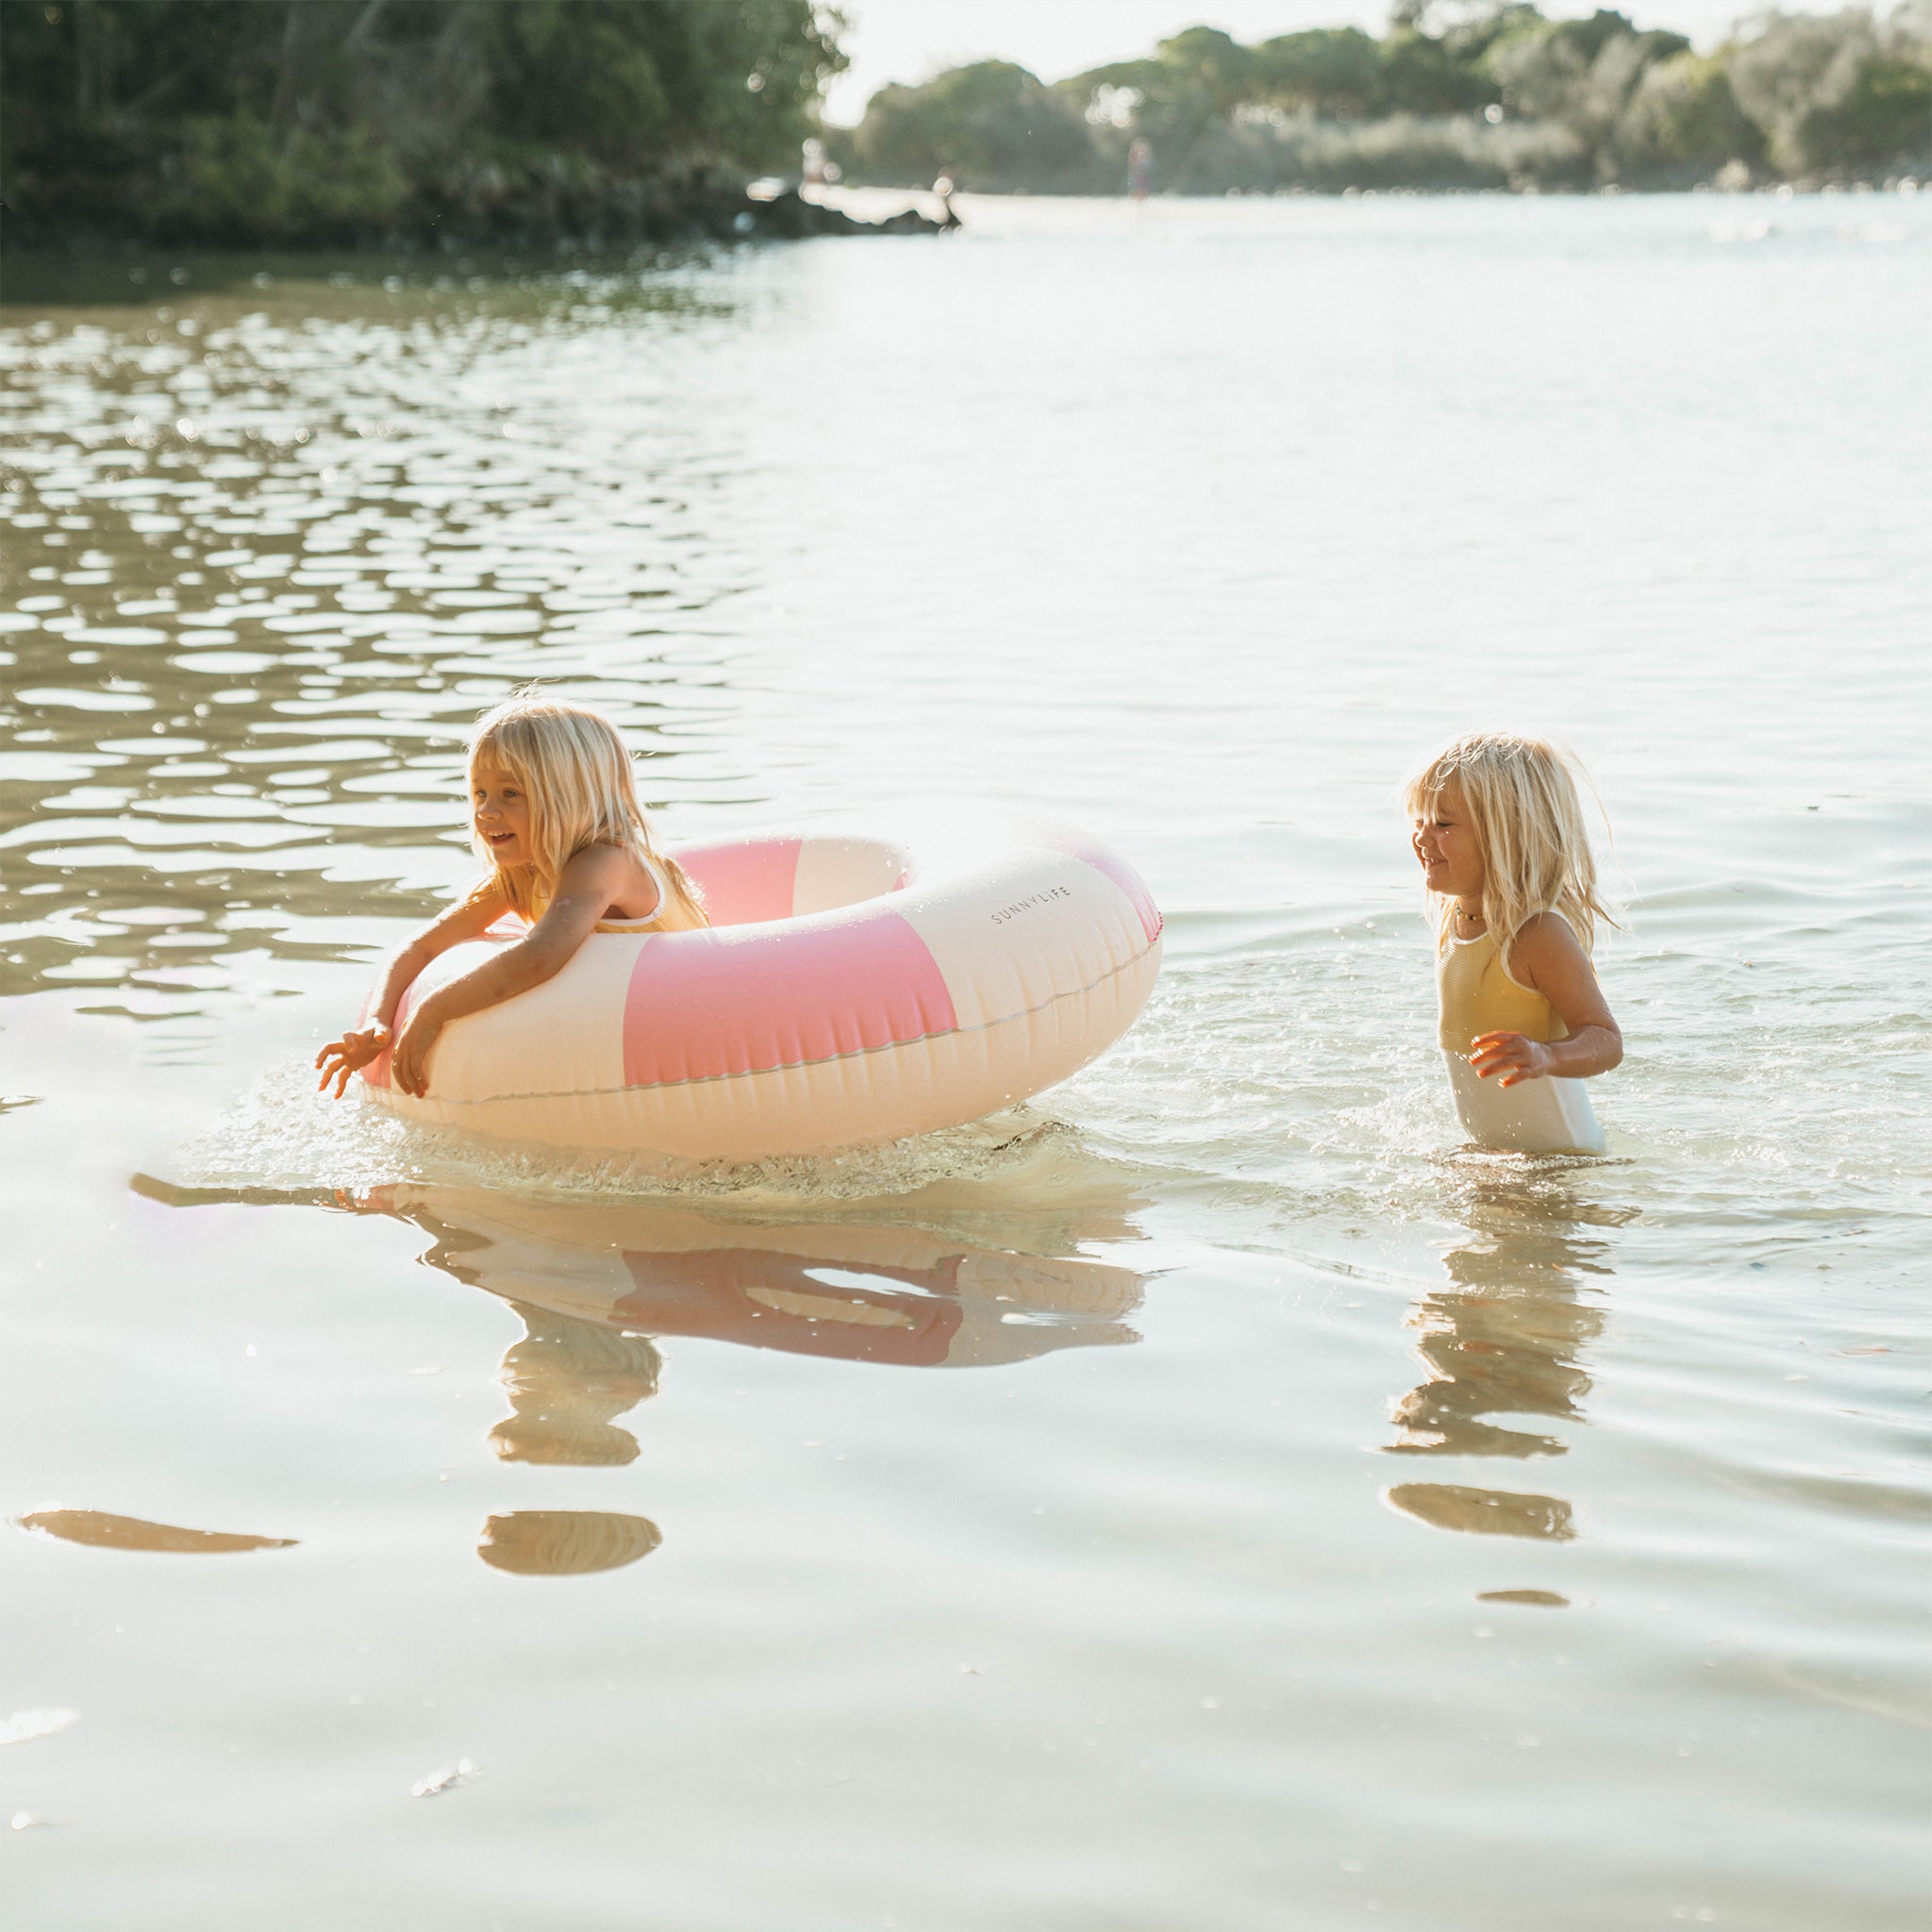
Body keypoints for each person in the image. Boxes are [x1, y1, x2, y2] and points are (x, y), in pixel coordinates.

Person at [315, 693, 707, 1102]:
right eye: (480, 793)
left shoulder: (607, 862)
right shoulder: (521, 874)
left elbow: (540, 956)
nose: (486, 812)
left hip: (695, 1019)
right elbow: (423, 945)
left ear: (571, 796)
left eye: (510, 794)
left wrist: (433, 1010)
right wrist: (378, 1023)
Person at [1405, 733, 1622, 1092]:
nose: (1423, 839)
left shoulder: (1536, 935)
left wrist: (1546, 1055)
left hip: (1561, 1149)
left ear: (1506, 835)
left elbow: (1606, 1040)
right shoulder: (1453, 915)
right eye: (1419, 821)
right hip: (1492, 1146)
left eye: (1442, 824)